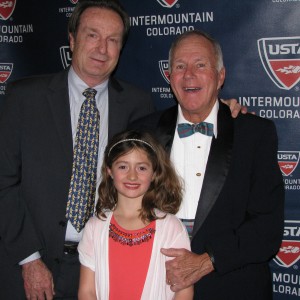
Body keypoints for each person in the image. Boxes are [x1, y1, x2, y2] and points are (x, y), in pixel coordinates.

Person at [0, 0, 245, 298]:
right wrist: (30, 260)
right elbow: (4, 183)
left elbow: (186, 120)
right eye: (92, 35)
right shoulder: (24, 97)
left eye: (113, 39)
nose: (102, 48)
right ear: (72, 38)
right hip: (30, 266)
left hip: (101, 265)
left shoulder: (137, 105)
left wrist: (225, 112)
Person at [130, 30, 285, 300]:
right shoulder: (143, 133)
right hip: (157, 286)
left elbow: (267, 228)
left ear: (220, 76)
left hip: (233, 287)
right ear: (169, 76)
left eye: (200, 65)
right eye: (180, 66)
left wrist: (205, 261)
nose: (189, 74)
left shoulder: (254, 133)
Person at [77, 130, 193, 299]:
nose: (132, 176)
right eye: (123, 167)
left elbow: (183, 290)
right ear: (109, 171)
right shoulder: (95, 227)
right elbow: (87, 291)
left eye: (141, 168)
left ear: (154, 173)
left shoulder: (172, 228)